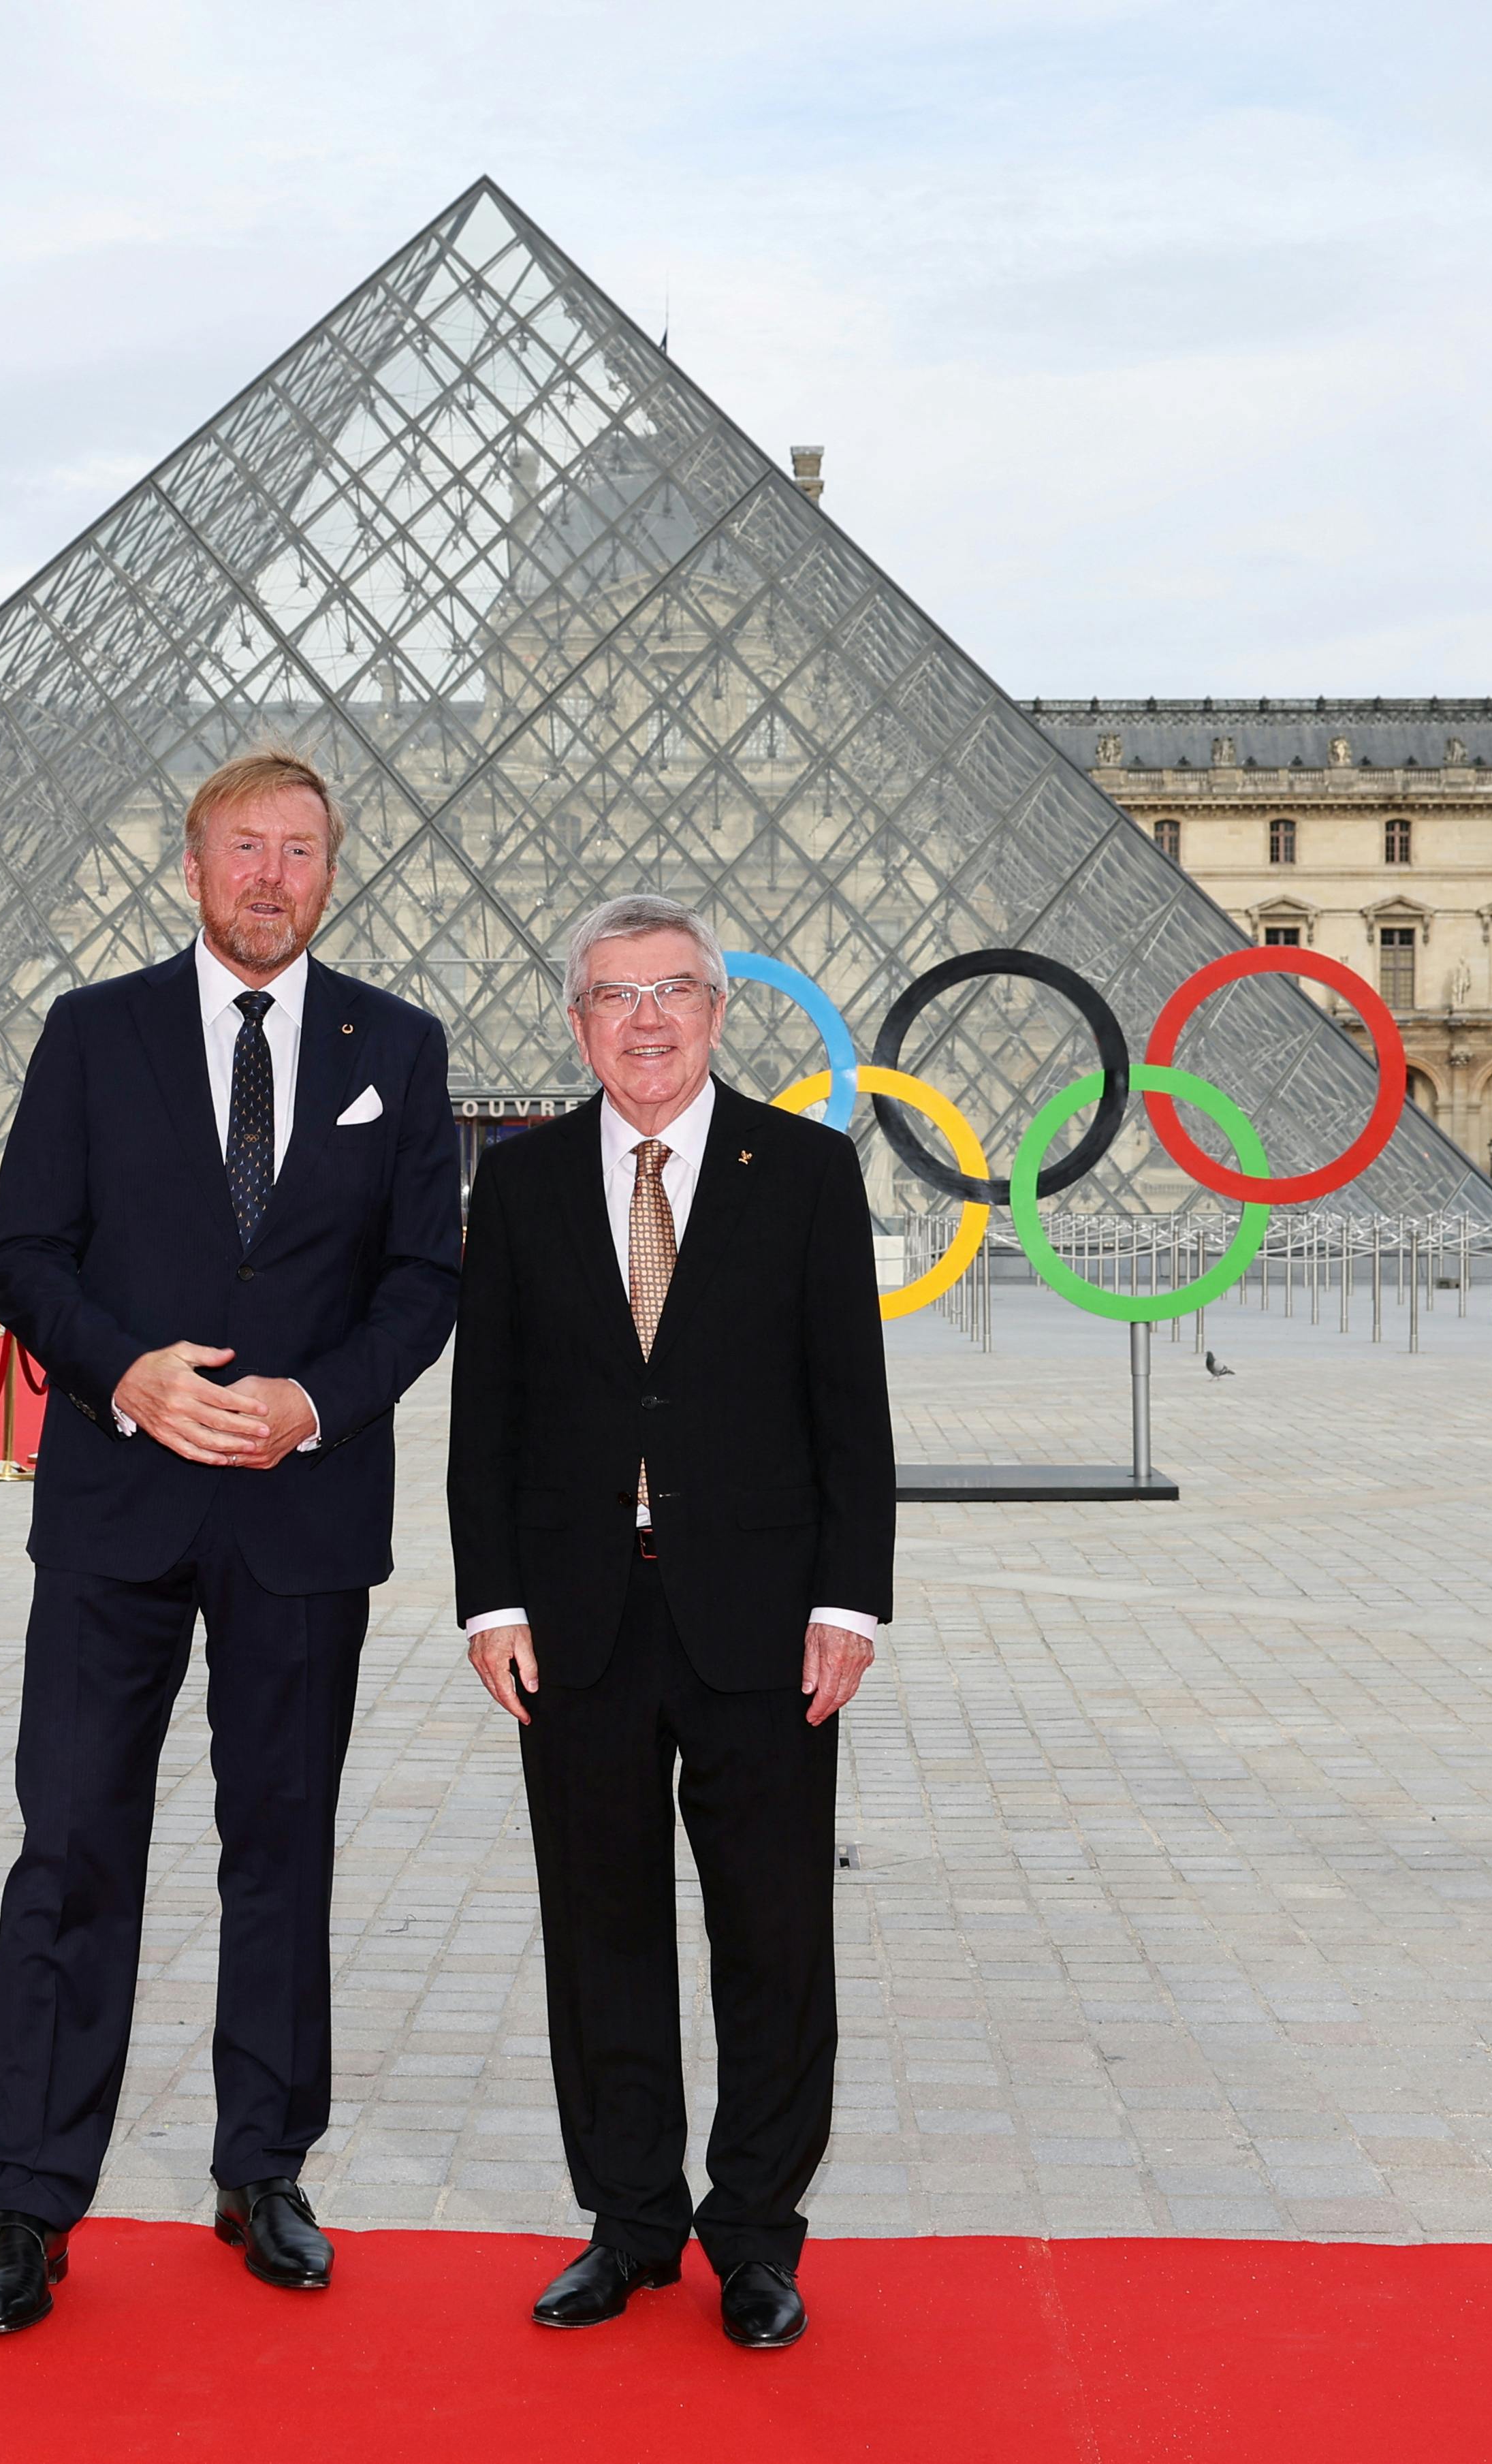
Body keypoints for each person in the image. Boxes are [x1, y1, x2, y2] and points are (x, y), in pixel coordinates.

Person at [0, 747, 460, 2334]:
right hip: (121, 1496)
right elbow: (27, 1253)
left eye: (298, 849)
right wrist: (124, 1374)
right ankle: (32, 2198)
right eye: (243, 846)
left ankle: (264, 2162)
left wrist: (315, 1400)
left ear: (331, 869)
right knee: (72, 1847)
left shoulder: (402, 1041)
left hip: (300, 1500)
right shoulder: (89, 1032)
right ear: (191, 864)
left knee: (284, 1845)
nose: (269, 873)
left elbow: (423, 1278)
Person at [445, 891, 892, 2353]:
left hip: (763, 1618)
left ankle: (756, 2233)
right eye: (613, 996)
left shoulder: (809, 1171)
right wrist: (489, 1599)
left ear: (717, 1009)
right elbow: (486, 1416)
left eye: (672, 992)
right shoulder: (514, 1188)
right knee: (600, 1932)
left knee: (776, 1933)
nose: (644, 1020)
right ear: (576, 1023)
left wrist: (850, 1599)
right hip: (575, 1618)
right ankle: (629, 2223)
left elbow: (851, 1410)